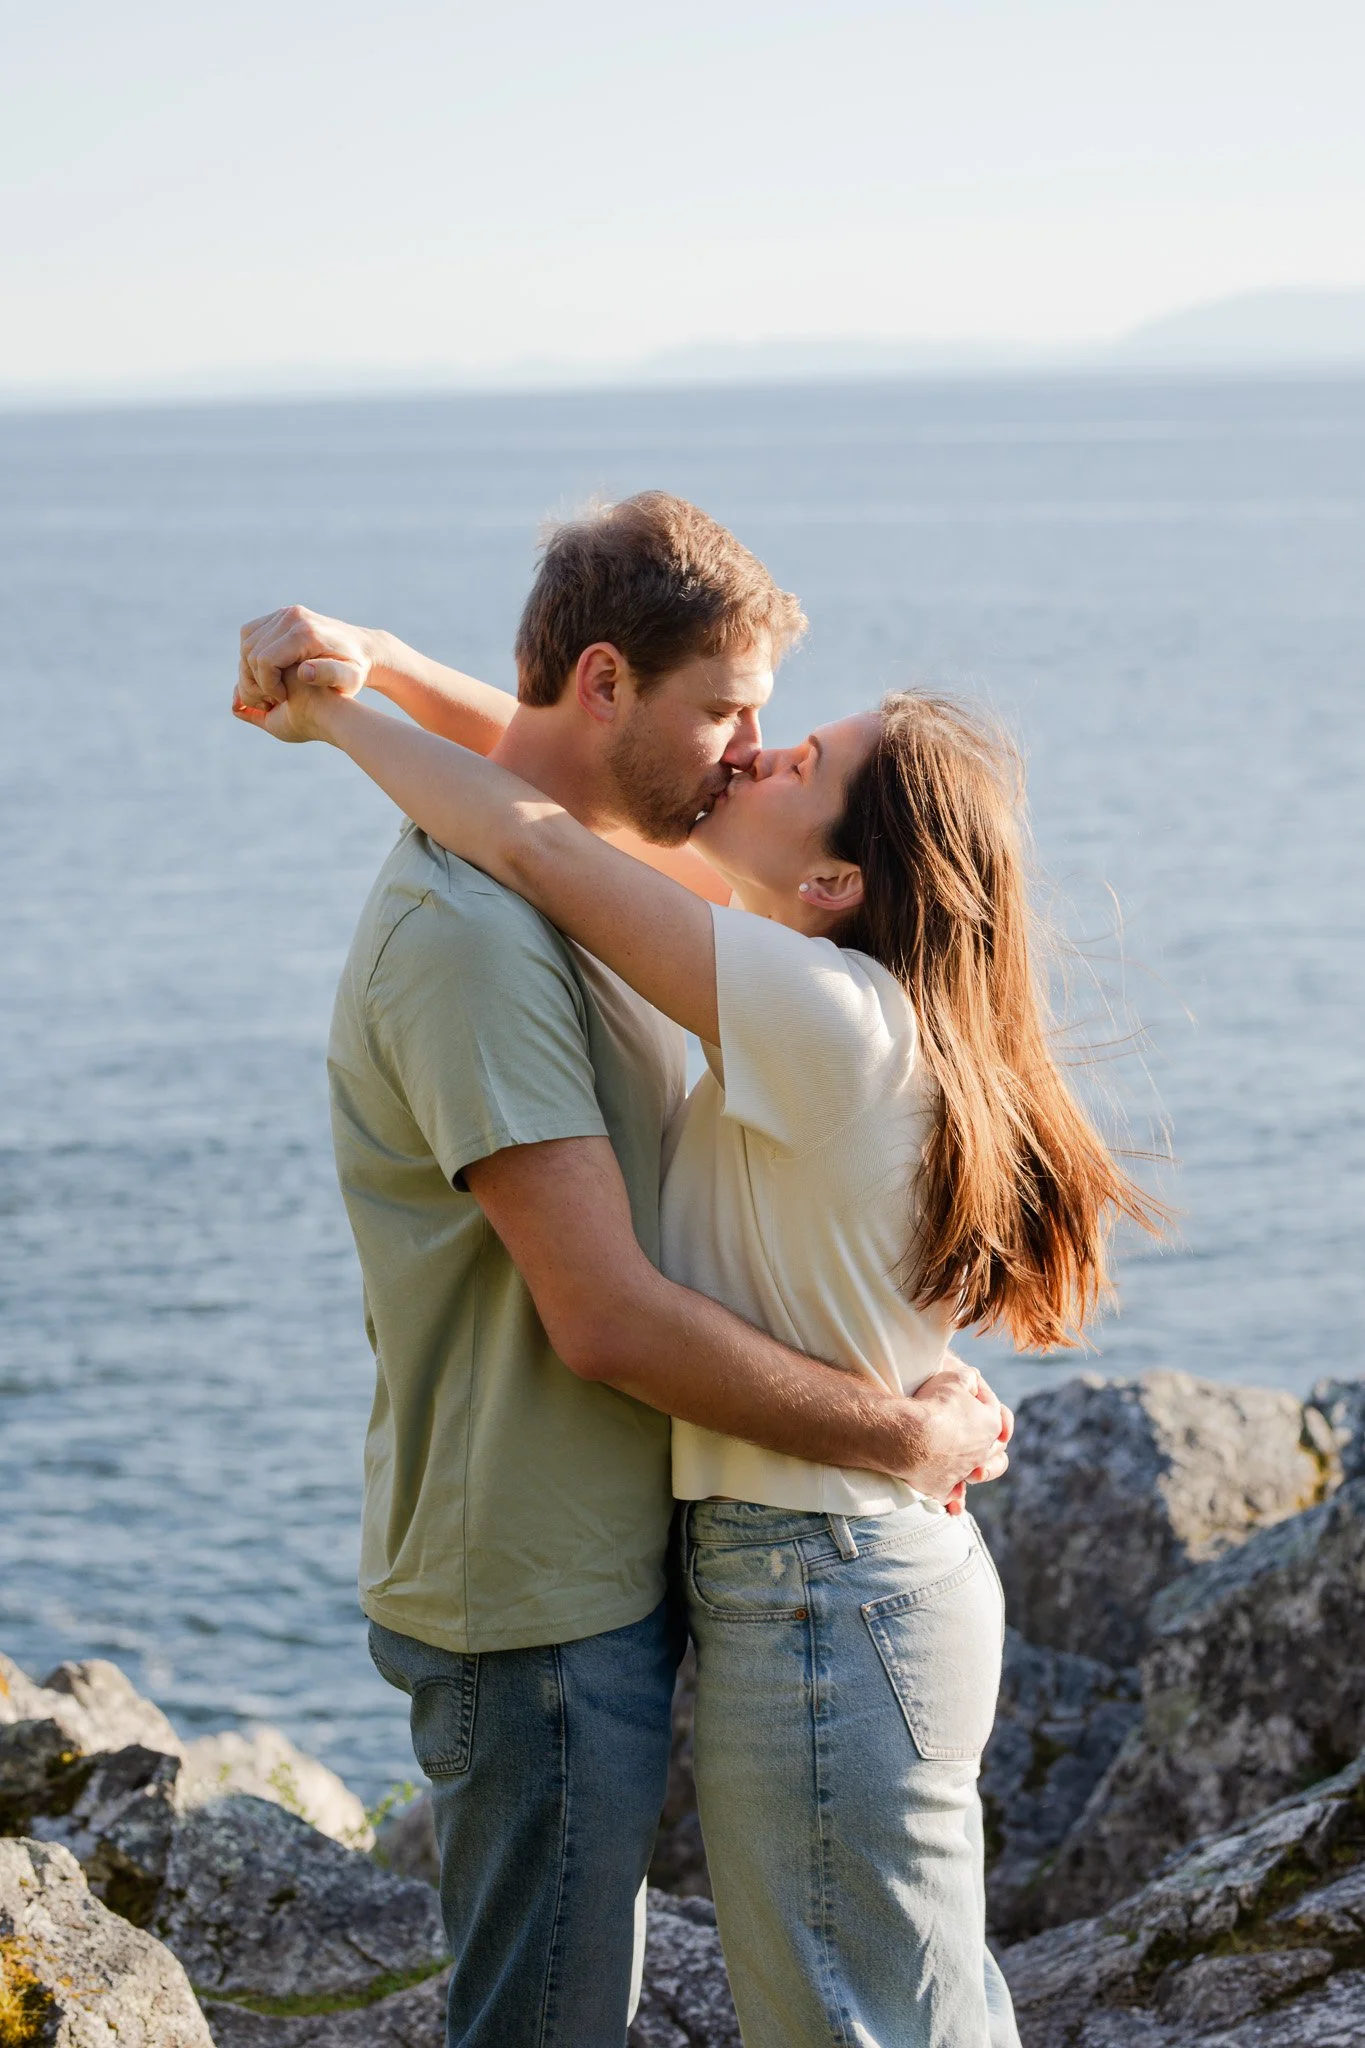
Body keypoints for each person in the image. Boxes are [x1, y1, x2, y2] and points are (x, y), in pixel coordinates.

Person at [235, 494, 1015, 2048]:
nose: (744, 754)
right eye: (728, 713)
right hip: (537, 1588)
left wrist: (366, 682)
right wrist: (365, 681)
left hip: (724, 1572)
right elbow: (599, 1313)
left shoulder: (732, 941)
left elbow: (538, 802)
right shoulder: (484, 936)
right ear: (604, 684)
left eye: (780, 739)